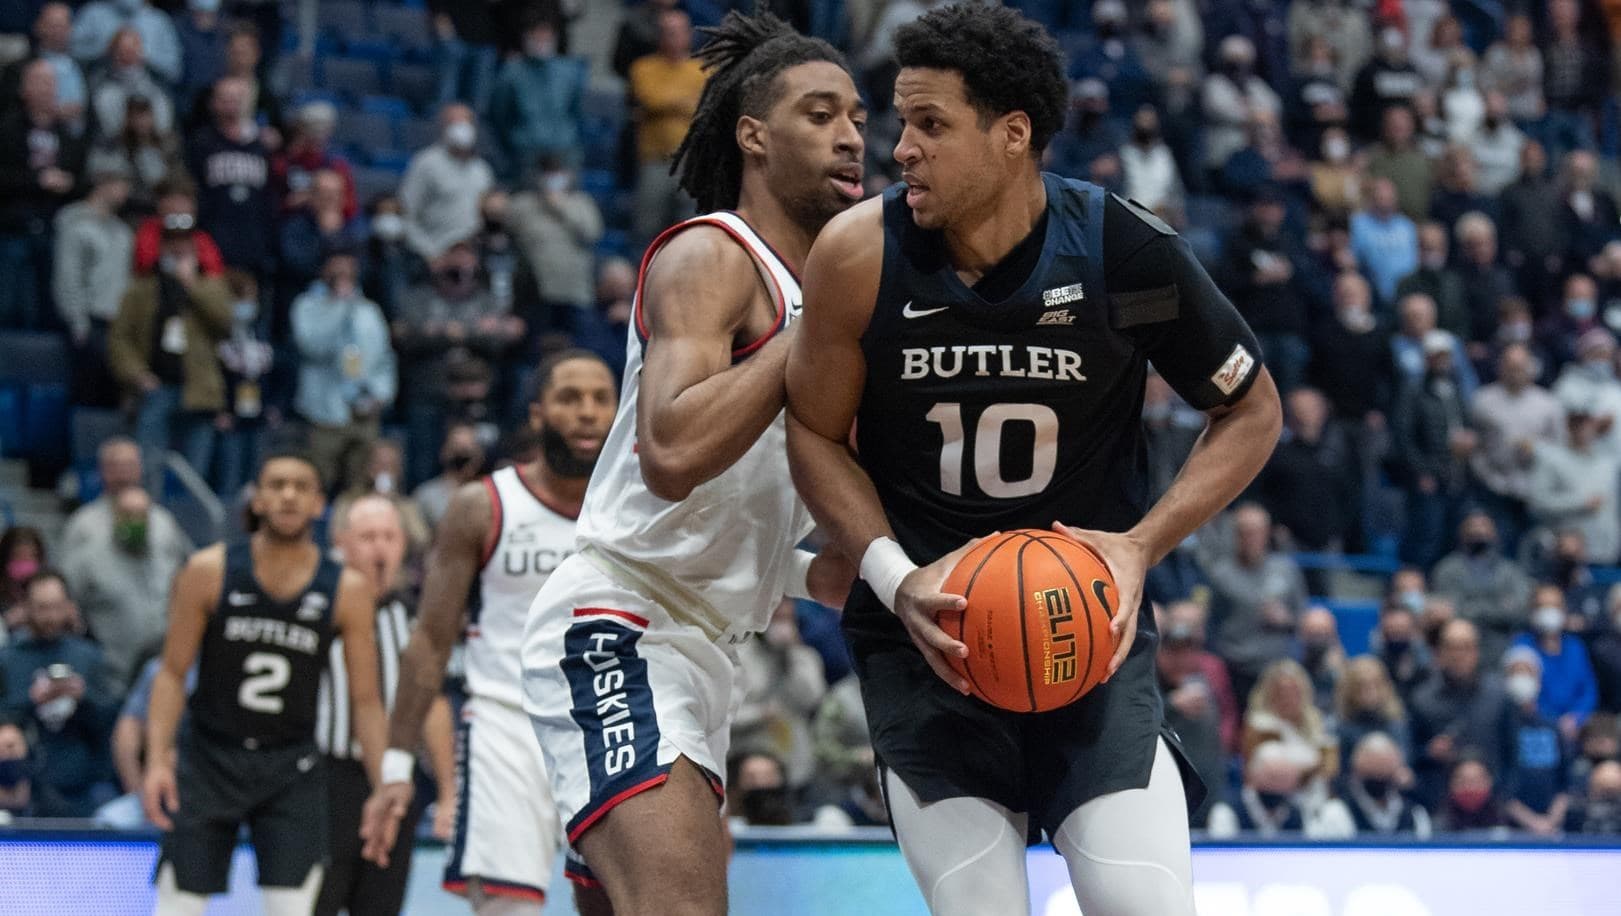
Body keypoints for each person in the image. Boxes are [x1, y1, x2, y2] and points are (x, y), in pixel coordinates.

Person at [785, 5, 1282, 914]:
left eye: (931, 125)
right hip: (926, 638)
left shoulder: (1122, 256)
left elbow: (1249, 409)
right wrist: (895, 577)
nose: (900, 149)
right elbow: (813, 434)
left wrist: (1139, 545)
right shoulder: (859, 254)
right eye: (902, 122)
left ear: (1011, 134)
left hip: (1081, 629)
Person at [404, 11, 864, 915]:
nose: (850, 135)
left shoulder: (819, 298)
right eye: (819, 115)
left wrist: (868, 574)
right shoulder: (712, 254)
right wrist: (813, 337)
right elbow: (673, 453)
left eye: (855, 116)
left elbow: (745, 523)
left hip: (708, 650)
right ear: (753, 135)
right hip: (622, 627)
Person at [359, 352, 618, 913]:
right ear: (537, 414)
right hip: (507, 722)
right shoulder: (484, 504)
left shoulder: (638, 505)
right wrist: (397, 767)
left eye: (601, 399)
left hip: (614, 722)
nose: (587, 412)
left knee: (619, 904)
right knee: (506, 906)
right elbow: (430, 640)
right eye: (570, 398)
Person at [141, 452, 387, 914]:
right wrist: (157, 759)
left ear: (319, 504)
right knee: (178, 903)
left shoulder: (346, 589)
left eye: (301, 486)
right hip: (210, 757)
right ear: (256, 499)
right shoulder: (209, 570)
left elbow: (367, 701)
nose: (288, 495)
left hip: (291, 763)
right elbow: (171, 673)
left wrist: (381, 785)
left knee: (292, 905)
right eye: (276, 485)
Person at [314, 494, 456, 916]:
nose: (380, 548)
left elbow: (432, 706)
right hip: (323, 779)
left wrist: (448, 792)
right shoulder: (315, 608)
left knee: (381, 904)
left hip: (396, 782)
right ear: (340, 543)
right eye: (368, 537)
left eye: (389, 537)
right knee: (318, 901)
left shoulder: (414, 619)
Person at [0, 570, 119, 816]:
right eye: (42, 608)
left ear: (68, 607)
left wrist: (82, 697)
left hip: (84, 787)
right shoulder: (8, 659)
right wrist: (32, 700)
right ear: (26, 607)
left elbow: (111, 719)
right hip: (22, 790)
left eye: (56, 607)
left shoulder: (88, 656)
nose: (50, 617)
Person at [60, 485, 193, 691]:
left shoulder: (166, 551)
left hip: (159, 670)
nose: (135, 521)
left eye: (141, 515)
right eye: (128, 514)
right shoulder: (90, 559)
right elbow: (68, 605)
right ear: (115, 516)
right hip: (109, 675)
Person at [291, 249, 397, 496]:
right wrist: (340, 307)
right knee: (318, 483)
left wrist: (383, 394)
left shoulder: (369, 310)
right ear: (324, 270)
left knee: (360, 487)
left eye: (348, 267)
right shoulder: (307, 306)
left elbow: (384, 357)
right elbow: (312, 346)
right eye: (336, 267)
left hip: (365, 411)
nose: (343, 272)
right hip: (324, 412)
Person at [1408, 619, 1517, 807]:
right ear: (1440, 652)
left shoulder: (1499, 696)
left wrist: (1504, 797)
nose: (1458, 655)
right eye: (1452, 648)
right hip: (1440, 805)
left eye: (1466, 647)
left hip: (1492, 805)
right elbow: (1410, 754)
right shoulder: (1422, 699)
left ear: (1476, 651)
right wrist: (1429, 752)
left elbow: (1512, 753)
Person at [626, 8, 706, 244]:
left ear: (689, 34)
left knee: (689, 232)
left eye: (678, 31)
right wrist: (686, 102)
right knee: (646, 230)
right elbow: (651, 99)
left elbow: (705, 109)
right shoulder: (643, 68)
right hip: (655, 161)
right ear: (659, 36)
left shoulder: (703, 70)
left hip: (691, 163)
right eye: (668, 32)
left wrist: (667, 104)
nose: (673, 37)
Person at [1510, 584, 1598, 741]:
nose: (1549, 612)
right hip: (1538, 731)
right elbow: (1524, 696)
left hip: (1577, 729)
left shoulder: (1575, 647)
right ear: (1532, 611)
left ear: (1564, 611)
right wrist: (1554, 724)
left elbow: (1588, 690)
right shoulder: (1522, 647)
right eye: (1543, 606)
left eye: (1554, 606)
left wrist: (1575, 718)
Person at [1500, 646, 1573, 835]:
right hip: (1510, 826)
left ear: (1539, 679)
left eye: (1528, 672)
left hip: (1552, 825)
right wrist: (1532, 822)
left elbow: (1565, 781)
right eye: (1516, 673)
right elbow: (1498, 784)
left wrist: (1551, 820)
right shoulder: (1498, 726)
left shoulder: (1552, 727)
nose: (1522, 678)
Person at [1339, 732, 1430, 837]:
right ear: (1356, 772)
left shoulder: (1415, 814)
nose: (1379, 779)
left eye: (1385, 775)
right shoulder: (1338, 812)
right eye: (1372, 774)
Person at [1334, 655, 1412, 763]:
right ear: (1350, 691)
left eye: (1376, 685)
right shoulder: (1342, 729)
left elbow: (1406, 759)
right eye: (1362, 687)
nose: (1371, 692)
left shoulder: (1397, 724)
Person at [409, 421, 485, 531]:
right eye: (458, 449)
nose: (464, 456)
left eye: (469, 450)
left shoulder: (488, 495)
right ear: (444, 452)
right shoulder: (426, 496)